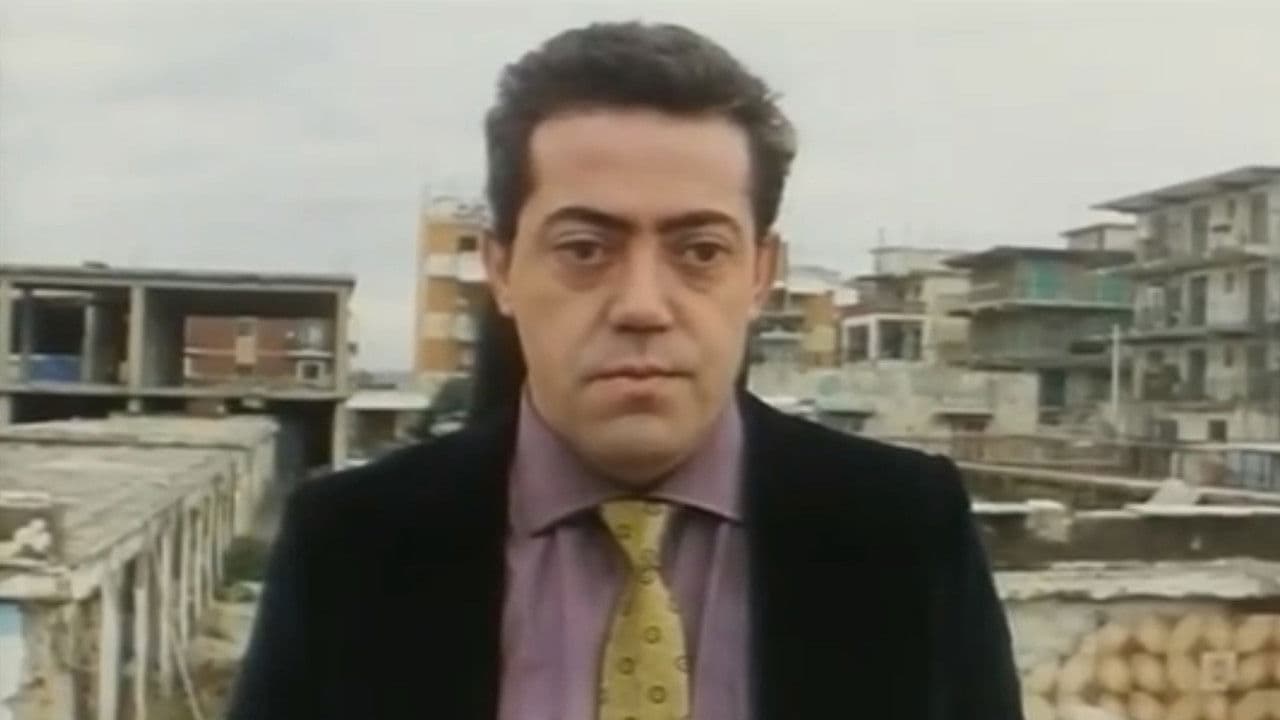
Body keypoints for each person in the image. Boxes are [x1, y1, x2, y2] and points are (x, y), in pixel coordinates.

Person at [228, 21, 1022, 720]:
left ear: (760, 274)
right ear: (501, 270)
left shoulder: (904, 531)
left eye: (699, 251)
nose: (642, 305)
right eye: (585, 249)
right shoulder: (354, 544)